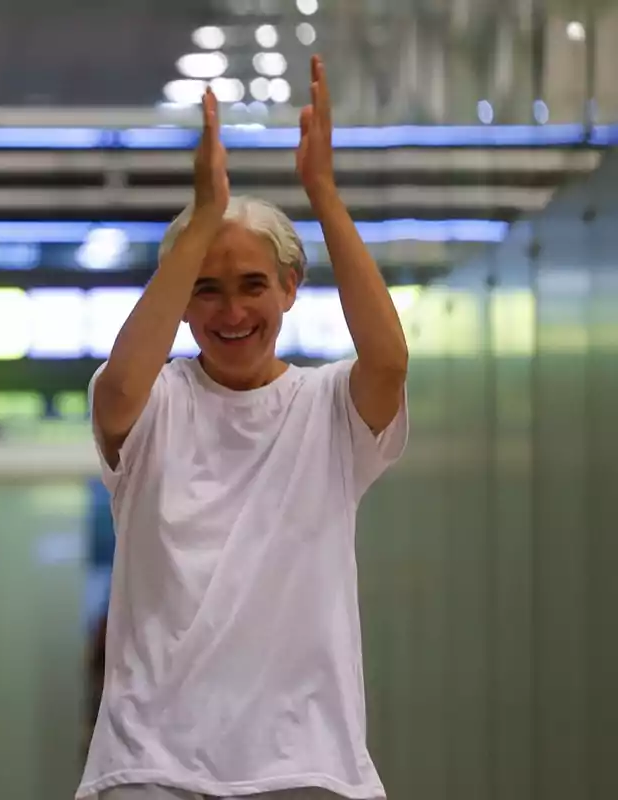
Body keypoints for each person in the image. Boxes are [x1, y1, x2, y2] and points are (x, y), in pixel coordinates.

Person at [78, 56, 409, 800]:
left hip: (308, 763)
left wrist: (324, 194)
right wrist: (202, 218)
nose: (232, 313)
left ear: (291, 289)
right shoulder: (152, 400)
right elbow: (121, 386)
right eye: (207, 291)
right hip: (151, 763)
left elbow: (387, 363)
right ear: (183, 305)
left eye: (253, 286)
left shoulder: (328, 408)